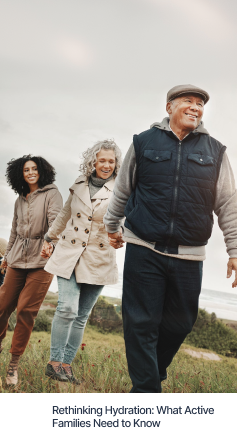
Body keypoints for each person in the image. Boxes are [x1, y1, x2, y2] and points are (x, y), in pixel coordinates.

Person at [104, 84, 237, 393]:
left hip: (189, 254)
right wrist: (112, 226)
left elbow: (228, 203)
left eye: (200, 104)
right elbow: (123, 188)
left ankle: (152, 374)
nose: (195, 107)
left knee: (180, 324)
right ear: (169, 108)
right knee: (140, 323)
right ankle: (146, 394)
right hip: (142, 245)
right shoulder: (143, 142)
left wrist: (234, 248)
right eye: (188, 101)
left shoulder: (215, 151)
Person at [41, 139, 122, 384]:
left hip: (99, 258)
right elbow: (66, 213)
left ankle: (66, 366)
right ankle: (54, 362)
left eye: (111, 161)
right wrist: (49, 237)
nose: (106, 165)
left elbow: (127, 218)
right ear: (93, 162)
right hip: (69, 253)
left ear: (116, 164)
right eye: (102, 160)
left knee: (81, 316)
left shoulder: (122, 189)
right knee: (67, 308)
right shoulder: (78, 184)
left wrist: (121, 235)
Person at [0, 155, 63, 386]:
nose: (30, 172)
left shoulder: (52, 193)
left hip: (43, 260)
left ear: (42, 171)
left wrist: (51, 243)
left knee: (25, 312)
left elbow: (57, 222)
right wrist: (7, 256)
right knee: (1, 305)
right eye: (26, 169)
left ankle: (13, 365)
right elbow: (14, 232)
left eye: (34, 169)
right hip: (17, 258)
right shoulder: (20, 198)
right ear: (20, 173)